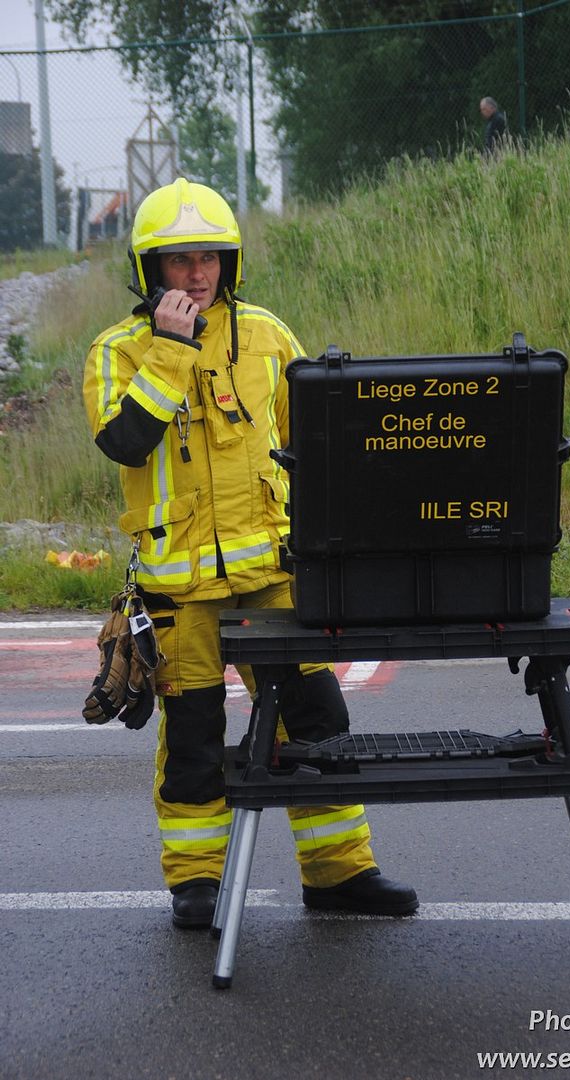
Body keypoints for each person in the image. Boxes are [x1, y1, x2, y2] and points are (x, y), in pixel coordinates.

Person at [83, 177, 418, 928]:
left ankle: (338, 873)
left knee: (316, 722)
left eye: (209, 257)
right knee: (194, 739)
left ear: (228, 262)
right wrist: (171, 353)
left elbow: (319, 443)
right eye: (177, 261)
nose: (196, 274)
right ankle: (195, 883)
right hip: (180, 595)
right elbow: (124, 441)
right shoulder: (117, 351)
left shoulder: (267, 335)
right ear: (149, 272)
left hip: (274, 580)